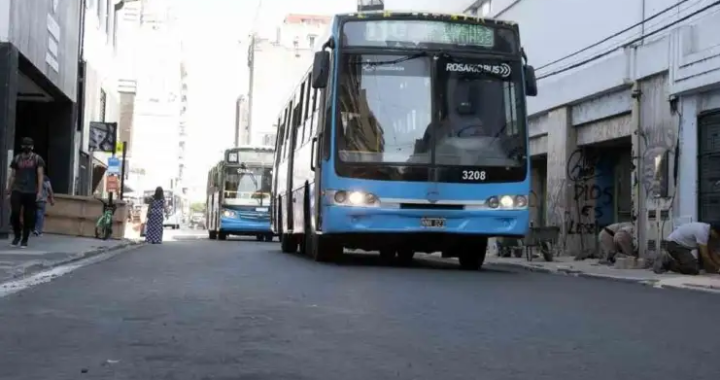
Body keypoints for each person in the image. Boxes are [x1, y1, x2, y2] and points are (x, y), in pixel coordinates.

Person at [6, 137, 45, 248]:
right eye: (24, 145)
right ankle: (17, 235)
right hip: (17, 189)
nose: (26, 147)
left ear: (32, 147)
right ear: (22, 146)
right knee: (15, 213)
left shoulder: (37, 159)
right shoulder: (17, 158)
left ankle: (25, 239)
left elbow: (40, 175)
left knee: (28, 216)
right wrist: (9, 189)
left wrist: (39, 191)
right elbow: (13, 175)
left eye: (28, 145)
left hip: (31, 191)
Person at [655, 221, 720, 275]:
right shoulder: (702, 231)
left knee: (689, 264)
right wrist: (717, 267)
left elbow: (713, 252)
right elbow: (705, 256)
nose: (717, 238)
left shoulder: (710, 235)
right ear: (713, 230)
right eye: (718, 235)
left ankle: (680, 263)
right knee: (693, 269)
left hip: (684, 246)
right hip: (674, 244)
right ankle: (668, 263)